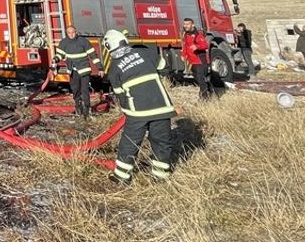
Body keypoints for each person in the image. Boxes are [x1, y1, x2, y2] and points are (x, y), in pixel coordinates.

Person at [102, 29, 176, 183]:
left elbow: (120, 94)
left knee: (130, 142)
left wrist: (126, 111)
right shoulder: (145, 53)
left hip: (137, 112)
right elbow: (164, 67)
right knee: (161, 141)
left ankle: (122, 176)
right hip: (161, 106)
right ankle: (161, 175)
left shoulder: (114, 69)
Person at [53, 26, 102, 117]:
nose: (71, 34)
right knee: (75, 90)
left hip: (84, 70)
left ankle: (87, 110)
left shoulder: (83, 41)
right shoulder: (64, 43)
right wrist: (56, 59)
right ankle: (78, 107)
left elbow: (93, 55)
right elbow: (60, 54)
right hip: (73, 71)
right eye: (69, 33)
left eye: (73, 32)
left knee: (84, 91)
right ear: (67, 34)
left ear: (76, 32)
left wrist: (100, 68)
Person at [181, 18, 212, 99]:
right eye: (185, 24)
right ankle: (210, 90)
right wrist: (183, 55)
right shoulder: (185, 34)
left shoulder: (198, 35)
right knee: (197, 79)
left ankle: (204, 98)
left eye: (187, 24)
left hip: (200, 61)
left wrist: (197, 46)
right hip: (192, 62)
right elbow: (185, 46)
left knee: (200, 80)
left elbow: (205, 45)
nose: (185, 26)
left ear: (193, 25)